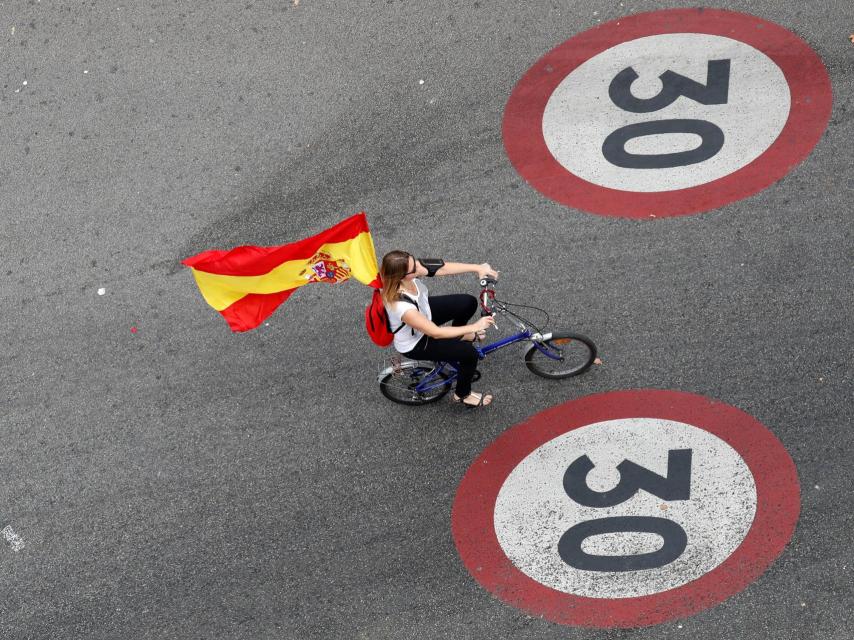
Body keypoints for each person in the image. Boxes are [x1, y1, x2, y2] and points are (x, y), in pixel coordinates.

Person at [380, 250, 498, 408]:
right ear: (401, 276)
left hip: (424, 313)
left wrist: (478, 268)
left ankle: (457, 342)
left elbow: (442, 268)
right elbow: (435, 332)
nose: (418, 267)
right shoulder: (401, 307)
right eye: (413, 268)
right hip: (417, 342)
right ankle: (462, 395)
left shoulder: (409, 270)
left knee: (467, 303)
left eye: (414, 261)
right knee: (470, 354)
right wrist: (475, 326)